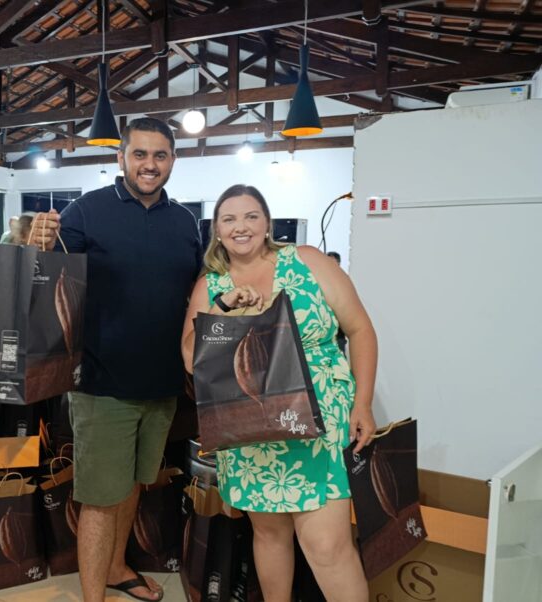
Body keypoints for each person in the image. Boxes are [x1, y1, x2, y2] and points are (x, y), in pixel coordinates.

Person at [29, 117, 202, 602]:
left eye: (160, 155)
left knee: (132, 487)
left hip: (162, 384)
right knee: (101, 499)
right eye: (140, 154)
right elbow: (47, 271)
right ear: (120, 157)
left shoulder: (184, 222)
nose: (150, 164)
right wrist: (37, 240)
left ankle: (117, 567)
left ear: (173, 160)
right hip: (101, 383)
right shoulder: (86, 211)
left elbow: (198, 292)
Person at [180, 185, 377, 602]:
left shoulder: (307, 261)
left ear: (267, 224)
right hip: (249, 428)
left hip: (318, 422)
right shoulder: (211, 286)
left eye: (251, 216)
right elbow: (190, 358)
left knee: (327, 546)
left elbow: (360, 329)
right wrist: (223, 307)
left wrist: (362, 403)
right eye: (229, 219)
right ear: (217, 231)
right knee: (269, 535)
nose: (241, 226)